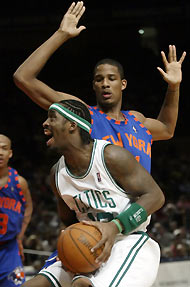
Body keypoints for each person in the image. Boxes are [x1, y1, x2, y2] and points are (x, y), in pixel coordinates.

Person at [13, 2, 186, 170]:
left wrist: (174, 87)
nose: (105, 84)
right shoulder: (83, 115)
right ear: (93, 85)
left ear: (123, 84)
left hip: (141, 199)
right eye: (99, 79)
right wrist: (61, 34)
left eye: (111, 78)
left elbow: (166, 129)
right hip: (102, 199)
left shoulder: (137, 120)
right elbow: (23, 78)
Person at [21, 99, 165, 287]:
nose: (45, 124)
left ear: (72, 125)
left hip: (127, 240)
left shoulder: (111, 156)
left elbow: (156, 196)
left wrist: (115, 226)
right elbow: (68, 222)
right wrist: (73, 256)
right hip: (88, 247)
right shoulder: (57, 174)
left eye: (52, 118)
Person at [0, 134, 33, 287]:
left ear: (10, 153)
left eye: (4, 148)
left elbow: (28, 207)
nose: (0, 152)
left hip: (9, 249)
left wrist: (20, 236)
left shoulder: (19, 183)